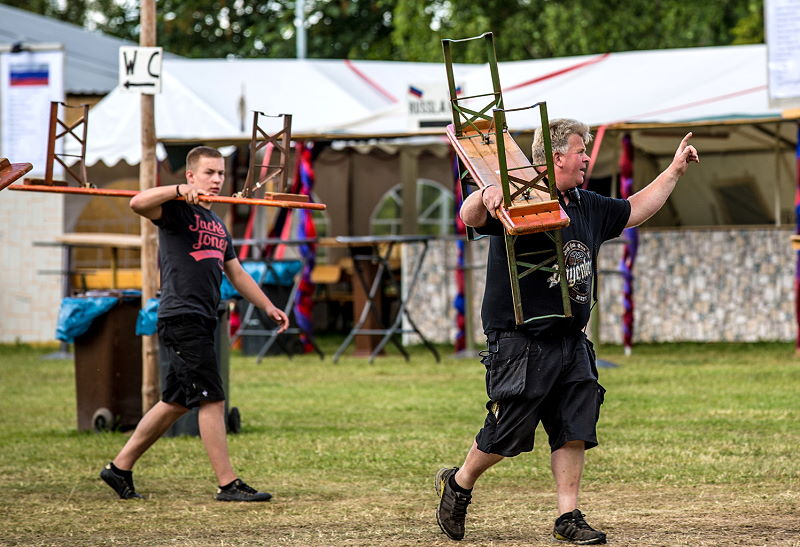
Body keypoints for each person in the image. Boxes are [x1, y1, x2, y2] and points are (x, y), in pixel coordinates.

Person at [435, 119, 699, 543]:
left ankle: (568, 517)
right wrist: (485, 193)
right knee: (507, 432)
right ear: (557, 157)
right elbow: (471, 216)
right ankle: (460, 482)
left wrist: (674, 171)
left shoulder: (585, 203)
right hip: (520, 338)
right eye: (581, 151)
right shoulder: (519, 198)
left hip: (571, 338)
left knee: (575, 425)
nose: (587, 159)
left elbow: (633, 210)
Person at [100, 146, 289, 502]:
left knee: (175, 402)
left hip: (203, 317)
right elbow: (137, 203)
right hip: (181, 316)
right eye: (208, 173)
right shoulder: (175, 210)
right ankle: (227, 484)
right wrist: (176, 191)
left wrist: (267, 305)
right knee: (212, 398)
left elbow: (236, 272)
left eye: (221, 173)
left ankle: (119, 468)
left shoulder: (217, 224)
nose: (216, 180)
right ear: (190, 176)